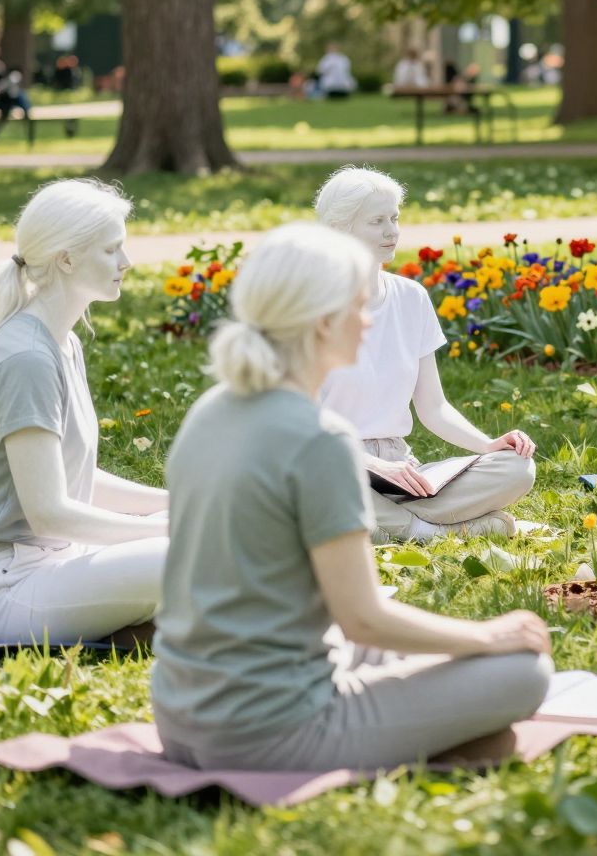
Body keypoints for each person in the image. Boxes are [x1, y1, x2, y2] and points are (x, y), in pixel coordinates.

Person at [152, 224, 552, 772]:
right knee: (523, 669)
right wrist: (489, 634)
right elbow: (363, 618)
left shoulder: (212, 409)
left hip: (180, 712)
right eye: (360, 308)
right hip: (271, 729)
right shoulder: (320, 437)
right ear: (323, 322)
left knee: (432, 651)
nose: (368, 322)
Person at [0, 180, 168, 643]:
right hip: (3, 587)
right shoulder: (27, 358)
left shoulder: (63, 343)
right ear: (67, 259)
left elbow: (73, 477)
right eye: (111, 249)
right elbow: (50, 513)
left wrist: (177, 504)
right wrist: (167, 528)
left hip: (53, 564)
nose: (127, 262)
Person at [315, 166, 536, 540]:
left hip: (402, 471)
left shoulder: (411, 297)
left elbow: (434, 408)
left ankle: (389, 524)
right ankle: (432, 530)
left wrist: (488, 444)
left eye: (395, 218)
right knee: (316, 485)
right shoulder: (308, 303)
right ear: (340, 229)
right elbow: (298, 420)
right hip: (331, 460)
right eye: (377, 221)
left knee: (517, 468)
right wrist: (365, 462)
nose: (392, 231)